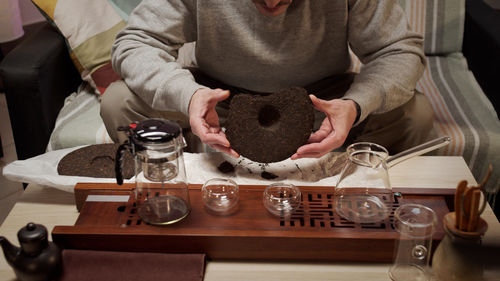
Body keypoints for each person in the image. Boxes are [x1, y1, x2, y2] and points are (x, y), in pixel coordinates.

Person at [101, 0, 433, 160]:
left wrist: (356, 105)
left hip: (321, 102)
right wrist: (188, 96)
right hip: (218, 98)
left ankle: (353, 184)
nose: (273, 3)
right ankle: (179, 182)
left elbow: (399, 50)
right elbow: (136, 42)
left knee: (414, 114)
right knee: (118, 101)